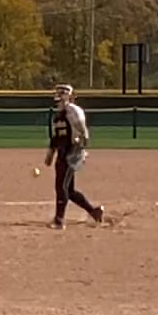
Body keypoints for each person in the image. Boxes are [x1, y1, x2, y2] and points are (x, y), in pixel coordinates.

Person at [44, 84, 104, 230]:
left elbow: (84, 133)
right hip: (62, 153)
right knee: (69, 190)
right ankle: (94, 212)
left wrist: (80, 150)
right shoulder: (58, 115)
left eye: (62, 95)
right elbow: (56, 137)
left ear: (69, 96)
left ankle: (59, 221)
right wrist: (50, 153)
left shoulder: (74, 111)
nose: (59, 98)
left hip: (72, 152)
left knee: (61, 187)